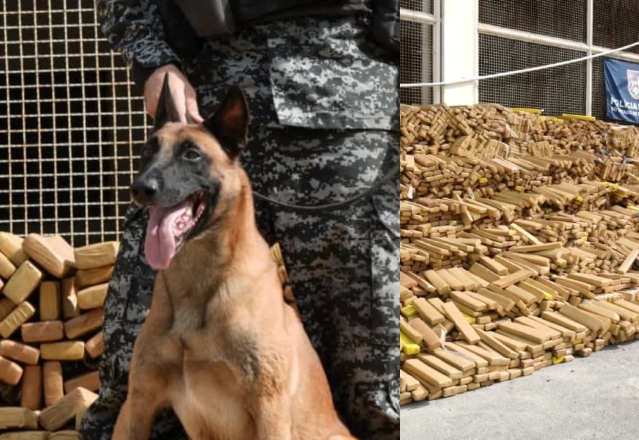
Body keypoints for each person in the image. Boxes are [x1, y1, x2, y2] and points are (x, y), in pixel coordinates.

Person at [80, 1, 400, 439]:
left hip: (343, 96)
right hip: (202, 99)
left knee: (373, 378)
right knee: (128, 368)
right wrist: (153, 59)